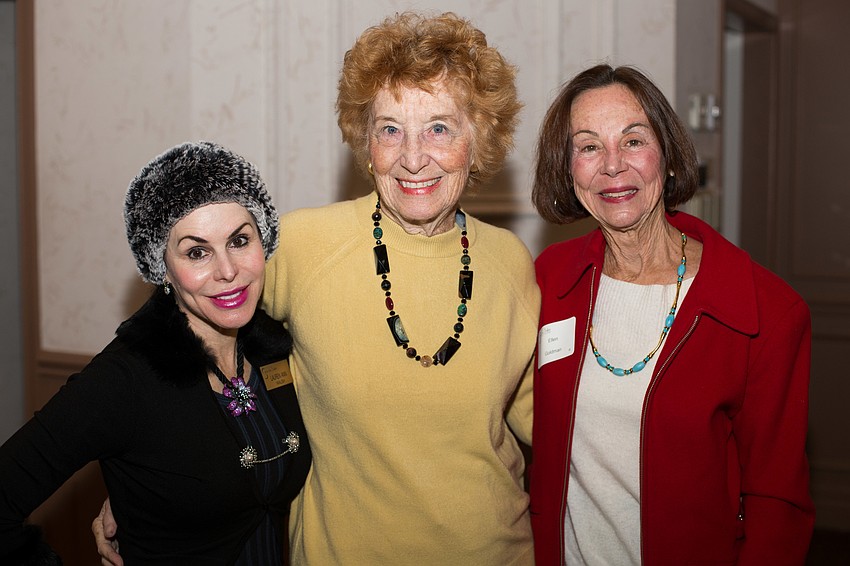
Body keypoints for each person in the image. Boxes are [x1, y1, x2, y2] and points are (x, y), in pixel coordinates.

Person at [97, 11, 539, 565]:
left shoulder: (510, 262)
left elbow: (544, 418)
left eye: (440, 128)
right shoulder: (306, 245)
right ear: (366, 141)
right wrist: (146, 477)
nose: (413, 156)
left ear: (479, 139)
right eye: (390, 129)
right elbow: (183, 329)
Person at [529, 63, 814, 564]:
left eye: (633, 141)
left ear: (667, 153)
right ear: (566, 169)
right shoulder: (548, 280)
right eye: (589, 146)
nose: (613, 166)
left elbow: (777, 504)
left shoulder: (766, 313)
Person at [0, 141, 311, 565]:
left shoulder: (274, 346)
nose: (227, 270)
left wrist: (141, 494)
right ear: (161, 266)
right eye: (196, 252)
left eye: (239, 240)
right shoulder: (125, 379)